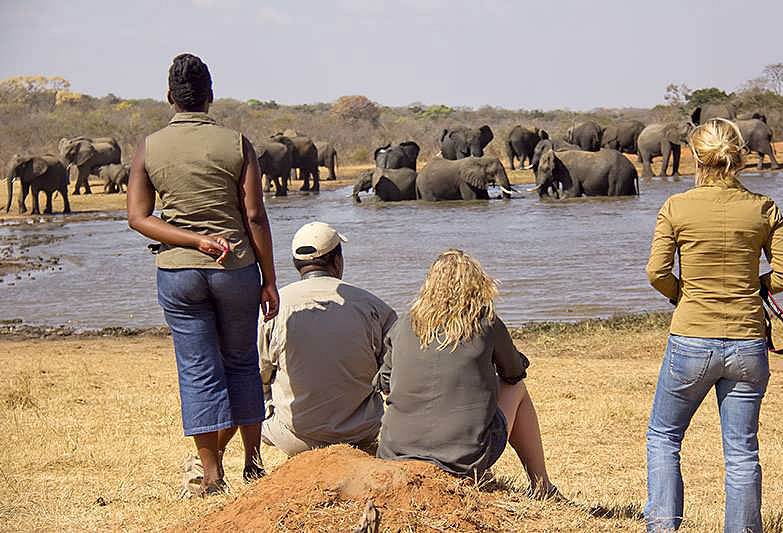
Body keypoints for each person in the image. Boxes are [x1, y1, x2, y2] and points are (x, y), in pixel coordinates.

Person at [127, 53, 279, 496]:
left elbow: (138, 217)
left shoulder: (149, 147)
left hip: (178, 273)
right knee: (242, 362)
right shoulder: (236, 143)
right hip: (236, 270)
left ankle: (212, 475)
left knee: (197, 369)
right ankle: (253, 463)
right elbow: (254, 216)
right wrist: (268, 279)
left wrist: (191, 241)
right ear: (210, 95)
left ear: (170, 97)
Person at [644, 119, 783, 532]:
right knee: (742, 451)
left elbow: (657, 273)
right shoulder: (765, 207)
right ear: (741, 156)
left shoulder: (676, 207)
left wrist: (683, 294)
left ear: (695, 157)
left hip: (691, 340)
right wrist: (755, 287)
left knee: (664, 438)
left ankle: (661, 527)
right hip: (748, 342)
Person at [375, 249, 558, 498]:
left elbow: (385, 382)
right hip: (465, 458)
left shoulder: (404, 324)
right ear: (477, 286)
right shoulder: (486, 323)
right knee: (517, 389)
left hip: (394, 453)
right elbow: (514, 374)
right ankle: (542, 485)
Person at [258, 221, 396, 455]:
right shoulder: (373, 306)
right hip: (361, 434)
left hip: (294, 438)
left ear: (296, 264)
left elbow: (258, 374)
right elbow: (394, 372)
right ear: (337, 261)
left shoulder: (272, 308)